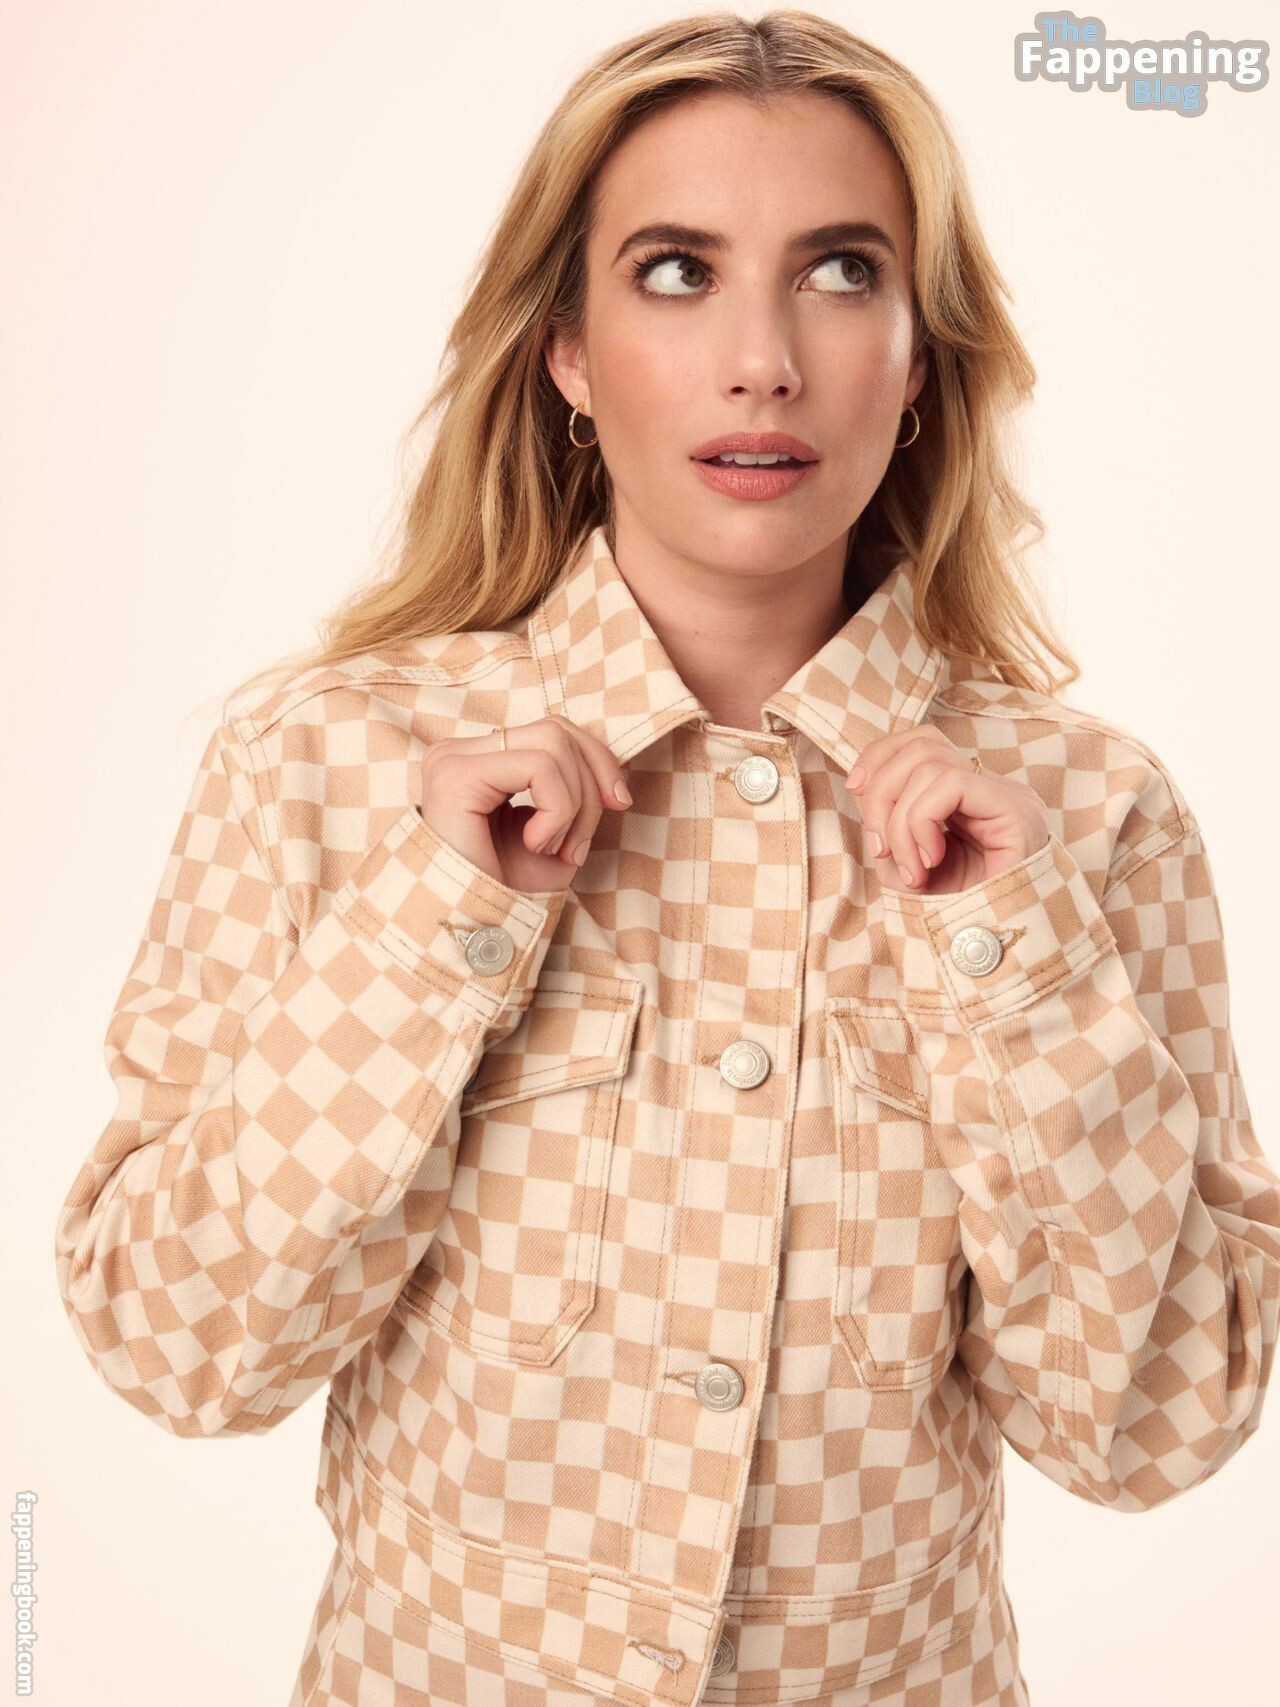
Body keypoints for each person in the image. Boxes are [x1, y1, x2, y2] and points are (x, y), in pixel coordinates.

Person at [53, 11, 1280, 1706]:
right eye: (678, 273)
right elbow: (177, 1351)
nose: (762, 360)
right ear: (567, 349)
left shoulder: (1084, 814)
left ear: (922, 358)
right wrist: (433, 933)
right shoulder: (328, 765)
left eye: (842, 272)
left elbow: (1155, 1428)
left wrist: (1019, 963)